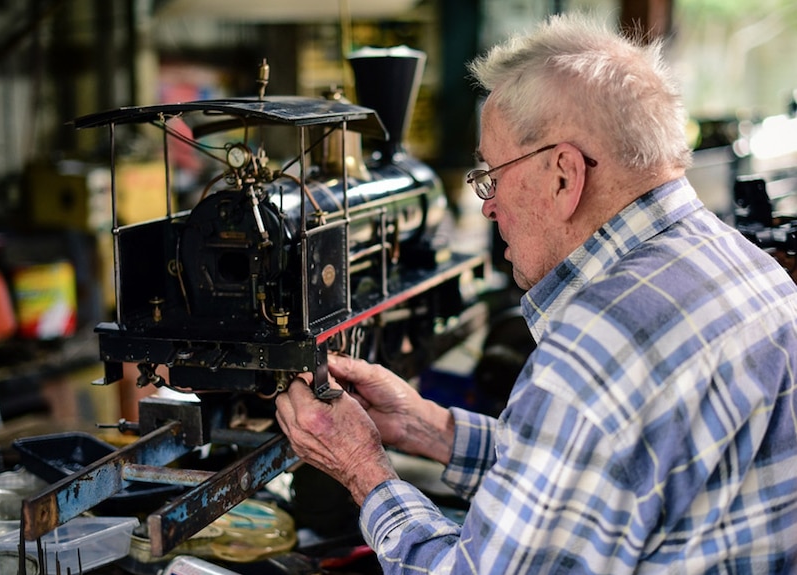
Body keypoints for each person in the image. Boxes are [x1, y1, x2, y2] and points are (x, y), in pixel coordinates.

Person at [275, 13, 797, 574]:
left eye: (493, 174)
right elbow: (604, 470)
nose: (488, 204)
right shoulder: (738, 262)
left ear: (564, 176)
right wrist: (426, 427)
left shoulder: (598, 345)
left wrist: (362, 467)